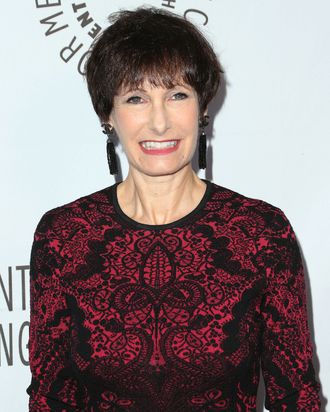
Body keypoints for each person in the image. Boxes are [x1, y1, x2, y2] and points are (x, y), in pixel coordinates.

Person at [27, 6, 321, 411]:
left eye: (177, 94)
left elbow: (297, 398)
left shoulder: (260, 233)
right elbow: (50, 398)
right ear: (107, 115)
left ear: (202, 108)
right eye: (136, 98)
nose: (160, 122)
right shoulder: (65, 235)